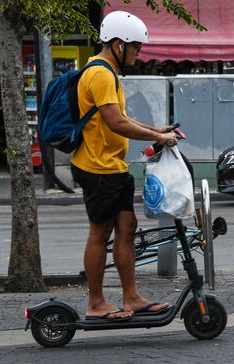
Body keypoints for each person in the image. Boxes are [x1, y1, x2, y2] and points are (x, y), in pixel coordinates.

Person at [71, 10, 185, 320]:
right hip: (98, 168)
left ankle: (131, 297)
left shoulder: (109, 73)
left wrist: (157, 131)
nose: (139, 53)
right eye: (137, 47)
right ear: (119, 44)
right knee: (99, 232)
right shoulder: (99, 73)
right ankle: (96, 303)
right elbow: (116, 123)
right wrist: (156, 138)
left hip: (113, 166)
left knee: (127, 227)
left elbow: (124, 118)